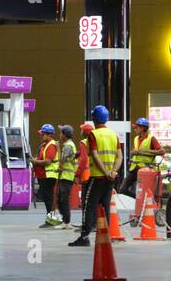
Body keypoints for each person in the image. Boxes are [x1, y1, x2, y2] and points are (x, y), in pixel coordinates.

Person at [69, 105, 122, 247]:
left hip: (97, 177)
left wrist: (105, 172)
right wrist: (113, 172)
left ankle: (84, 237)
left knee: (88, 206)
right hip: (110, 179)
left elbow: (94, 155)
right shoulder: (113, 134)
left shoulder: (93, 135)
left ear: (94, 119)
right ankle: (104, 235)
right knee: (105, 206)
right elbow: (119, 156)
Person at [120, 117, 165, 198]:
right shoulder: (136, 138)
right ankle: (138, 199)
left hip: (145, 170)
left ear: (143, 128)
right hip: (134, 169)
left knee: (145, 191)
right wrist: (132, 154)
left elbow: (162, 152)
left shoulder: (151, 139)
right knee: (122, 189)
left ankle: (144, 203)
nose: (135, 129)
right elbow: (136, 151)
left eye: (136, 127)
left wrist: (145, 151)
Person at [30, 124, 60, 227]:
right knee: (48, 198)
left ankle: (50, 221)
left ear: (49, 135)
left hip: (48, 176)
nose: (41, 135)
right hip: (43, 176)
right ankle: (51, 219)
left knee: (49, 199)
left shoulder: (51, 145)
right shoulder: (44, 145)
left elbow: (48, 161)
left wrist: (35, 161)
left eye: (42, 134)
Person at [55, 125, 77, 229]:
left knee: (64, 199)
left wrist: (58, 148)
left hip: (67, 176)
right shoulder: (68, 145)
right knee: (61, 198)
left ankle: (67, 222)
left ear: (65, 135)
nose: (59, 135)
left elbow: (62, 159)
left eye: (61, 133)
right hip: (65, 175)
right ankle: (65, 220)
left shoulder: (68, 146)